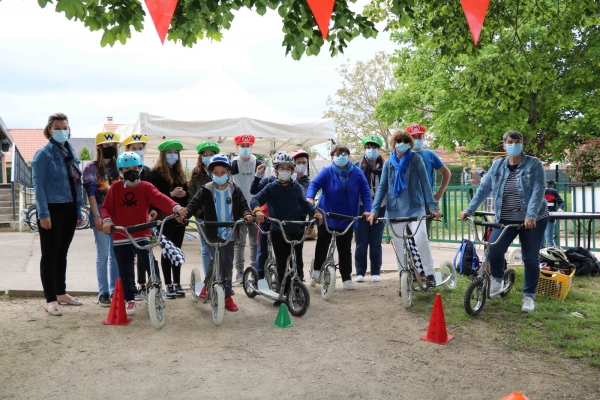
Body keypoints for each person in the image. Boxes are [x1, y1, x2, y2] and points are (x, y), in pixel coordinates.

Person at [459, 130, 548, 313]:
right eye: (510, 141)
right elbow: (484, 188)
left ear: (522, 144)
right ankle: (497, 280)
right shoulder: (497, 165)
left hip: (533, 219)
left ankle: (529, 296)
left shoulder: (534, 164)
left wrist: (530, 216)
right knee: (494, 249)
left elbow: (538, 191)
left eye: (517, 141)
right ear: (504, 144)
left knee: (530, 258)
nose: (513, 144)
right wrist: (469, 209)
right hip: (506, 218)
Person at [102, 152, 187, 316]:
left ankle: (155, 286)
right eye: (127, 168)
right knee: (125, 270)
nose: (131, 171)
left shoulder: (146, 187)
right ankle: (130, 299)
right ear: (120, 171)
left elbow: (160, 198)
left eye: (135, 167)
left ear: (140, 168)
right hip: (121, 235)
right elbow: (106, 207)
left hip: (142, 232)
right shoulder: (115, 188)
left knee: (150, 263)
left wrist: (176, 207)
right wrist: (106, 220)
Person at [367, 130, 442, 287]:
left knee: (421, 238)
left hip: (415, 208)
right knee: (400, 246)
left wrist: (433, 207)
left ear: (410, 144)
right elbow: (382, 188)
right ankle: (404, 276)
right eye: (399, 140)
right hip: (395, 209)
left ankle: (429, 274)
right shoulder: (388, 163)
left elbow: (426, 185)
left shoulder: (416, 160)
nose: (402, 143)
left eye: (405, 141)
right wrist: (374, 211)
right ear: (394, 143)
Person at [251, 152, 322, 305]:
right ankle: (282, 293)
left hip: (296, 230)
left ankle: (298, 289)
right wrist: (257, 210)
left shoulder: (295, 186)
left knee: (298, 262)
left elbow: (304, 203)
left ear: (293, 170)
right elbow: (255, 199)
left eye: (287, 168)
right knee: (282, 263)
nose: (284, 171)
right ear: (275, 171)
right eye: (281, 168)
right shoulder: (271, 188)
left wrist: (315, 212)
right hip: (278, 231)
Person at [186, 155, 254, 312]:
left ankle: (227, 295)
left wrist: (247, 214)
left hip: (229, 231)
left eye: (223, 172)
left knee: (227, 263)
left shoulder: (235, 190)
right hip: (212, 231)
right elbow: (193, 205)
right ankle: (207, 287)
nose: (219, 175)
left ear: (229, 172)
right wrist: (185, 215)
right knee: (217, 259)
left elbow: (244, 206)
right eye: (215, 172)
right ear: (210, 173)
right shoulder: (206, 189)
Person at [31, 112, 84, 316]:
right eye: (58, 128)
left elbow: (75, 184)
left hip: (70, 208)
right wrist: (44, 213)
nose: (62, 131)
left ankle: (61, 292)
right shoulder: (43, 155)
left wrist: (78, 211)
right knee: (50, 255)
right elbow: (38, 186)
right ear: (49, 130)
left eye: (65, 127)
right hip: (52, 209)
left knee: (62, 252)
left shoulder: (70, 152)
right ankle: (50, 299)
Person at [306, 143, 372, 289]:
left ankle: (346, 277)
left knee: (345, 247)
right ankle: (316, 270)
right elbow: (314, 185)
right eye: (337, 154)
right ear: (331, 157)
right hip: (326, 214)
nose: (340, 157)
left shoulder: (357, 172)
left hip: (347, 216)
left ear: (348, 156)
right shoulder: (327, 171)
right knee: (323, 243)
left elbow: (366, 193)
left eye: (344, 154)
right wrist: (310, 198)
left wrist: (367, 210)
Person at [82, 132, 121, 307]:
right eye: (106, 145)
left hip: (119, 218)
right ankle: (103, 292)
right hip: (100, 216)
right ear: (99, 147)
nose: (110, 148)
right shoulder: (91, 168)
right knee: (103, 255)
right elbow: (91, 193)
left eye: (113, 145)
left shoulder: (119, 166)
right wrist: (97, 216)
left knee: (116, 255)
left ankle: (115, 290)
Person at [148, 139, 189, 299]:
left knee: (177, 250)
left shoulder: (180, 174)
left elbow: (186, 196)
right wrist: (170, 195)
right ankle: (168, 284)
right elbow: (153, 197)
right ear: (163, 154)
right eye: (169, 152)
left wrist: (184, 196)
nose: (173, 155)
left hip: (179, 218)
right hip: (163, 217)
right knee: (167, 250)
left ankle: (177, 283)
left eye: (175, 153)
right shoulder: (154, 174)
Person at [121, 133, 157, 298]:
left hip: (145, 220)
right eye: (134, 149)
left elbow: (153, 194)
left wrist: (152, 209)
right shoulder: (121, 173)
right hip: (126, 223)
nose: (138, 151)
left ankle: (151, 283)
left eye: (140, 149)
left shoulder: (148, 172)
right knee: (128, 258)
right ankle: (137, 285)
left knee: (145, 252)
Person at [406, 124, 451, 237]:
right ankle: (410, 255)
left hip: (425, 202)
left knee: (423, 236)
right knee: (407, 237)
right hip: (407, 202)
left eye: (419, 137)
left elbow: (446, 173)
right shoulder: (403, 155)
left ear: (423, 137)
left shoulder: (429, 154)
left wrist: (439, 194)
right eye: (413, 137)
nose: (416, 139)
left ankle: (421, 255)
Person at [230, 134, 263, 284]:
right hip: (239, 209)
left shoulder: (259, 164)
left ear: (252, 146)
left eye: (247, 146)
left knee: (255, 241)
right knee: (239, 242)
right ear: (237, 147)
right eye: (242, 146)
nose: (245, 148)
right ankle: (240, 272)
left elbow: (264, 187)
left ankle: (254, 269)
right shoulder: (232, 164)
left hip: (256, 208)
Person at [353, 135, 386, 283]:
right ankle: (360, 271)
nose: (371, 150)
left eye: (374, 147)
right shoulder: (358, 166)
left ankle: (375, 271)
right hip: (361, 206)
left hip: (380, 206)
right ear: (364, 149)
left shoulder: (385, 166)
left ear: (379, 149)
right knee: (361, 240)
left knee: (376, 241)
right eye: (368, 147)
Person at [188, 142, 220, 276]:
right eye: (205, 155)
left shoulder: (221, 172)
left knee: (218, 247)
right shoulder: (196, 174)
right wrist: (197, 212)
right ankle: (208, 277)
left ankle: (219, 276)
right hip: (202, 217)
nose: (207, 157)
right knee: (205, 248)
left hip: (220, 216)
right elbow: (192, 195)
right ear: (200, 157)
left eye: (211, 155)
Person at [543, 180, 564, 248]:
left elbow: (561, 202)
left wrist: (560, 208)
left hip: (550, 217)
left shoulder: (552, 192)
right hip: (539, 218)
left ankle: (552, 254)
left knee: (548, 239)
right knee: (539, 240)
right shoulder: (536, 193)